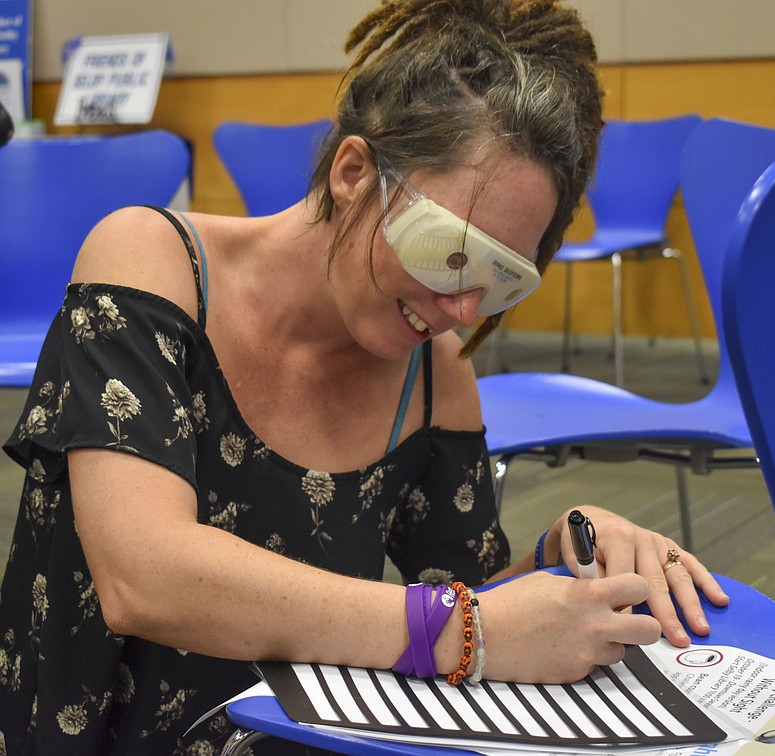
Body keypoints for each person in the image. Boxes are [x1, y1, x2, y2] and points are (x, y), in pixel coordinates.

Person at [0, 0, 729, 753]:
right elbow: (145, 575)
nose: (460, 306)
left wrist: (565, 552)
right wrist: (461, 628)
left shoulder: (434, 378)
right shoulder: (152, 266)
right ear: (354, 172)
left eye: (501, 279)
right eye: (449, 251)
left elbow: (476, 610)